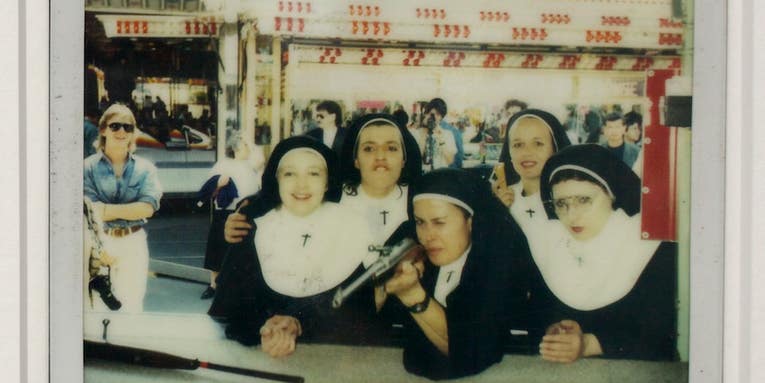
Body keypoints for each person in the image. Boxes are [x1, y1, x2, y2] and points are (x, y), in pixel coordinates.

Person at [209, 136, 380, 356]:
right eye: (290, 174)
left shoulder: (351, 227)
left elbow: (362, 314)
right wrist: (267, 325)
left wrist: (300, 323)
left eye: (314, 173)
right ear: (276, 179)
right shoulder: (252, 228)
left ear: (328, 182)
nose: (302, 184)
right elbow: (231, 312)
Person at [530, 144, 677, 362]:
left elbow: (660, 336)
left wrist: (590, 344)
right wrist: (554, 330)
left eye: (584, 200)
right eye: (561, 203)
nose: (572, 215)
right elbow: (537, 315)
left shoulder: (649, 246)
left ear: (612, 194)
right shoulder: (549, 243)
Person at [382, 169, 531, 380]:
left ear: (470, 222)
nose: (428, 235)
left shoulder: (497, 264)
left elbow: (470, 353)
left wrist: (413, 295)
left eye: (440, 222)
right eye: (420, 222)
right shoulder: (414, 252)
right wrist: (384, 281)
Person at [83, 103, 163, 313]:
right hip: (99, 242)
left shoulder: (146, 169)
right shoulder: (87, 168)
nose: (121, 132)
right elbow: (88, 211)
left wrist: (105, 210)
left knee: (132, 305)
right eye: (115, 126)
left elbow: (148, 208)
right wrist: (129, 209)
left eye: (127, 127)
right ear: (103, 130)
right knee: (98, 309)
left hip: (134, 243)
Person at [198, 133, 264, 299]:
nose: (248, 150)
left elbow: (260, 160)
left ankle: (235, 287)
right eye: (245, 147)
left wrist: (250, 142)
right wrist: (219, 184)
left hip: (244, 213)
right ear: (235, 149)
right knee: (217, 251)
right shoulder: (222, 164)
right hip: (224, 212)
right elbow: (209, 192)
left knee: (240, 252)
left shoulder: (250, 165)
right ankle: (213, 285)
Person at [493, 109, 572, 234]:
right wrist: (498, 213)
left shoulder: (571, 198)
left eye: (538, 143)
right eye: (518, 145)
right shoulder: (502, 199)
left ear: (555, 148)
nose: (527, 152)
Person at [424, 98, 463, 168]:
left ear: (441, 117)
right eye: (431, 114)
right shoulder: (420, 133)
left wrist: (441, 138)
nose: (434, 118)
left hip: (441, 174)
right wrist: (424, 129)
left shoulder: (448, 134)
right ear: (426, 114)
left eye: (438, 114)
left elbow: (450, 161)